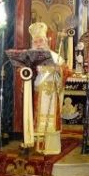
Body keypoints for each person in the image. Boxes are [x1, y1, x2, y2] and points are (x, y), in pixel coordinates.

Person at [27, 22, 68, 155]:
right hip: (38, 92)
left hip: (52, 93)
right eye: (36, 41)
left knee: (51, 120)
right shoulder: (30, 57)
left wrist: (58, 69)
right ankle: (38, 146)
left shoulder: (55, 56)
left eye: (41, 41)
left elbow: (66, 71)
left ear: (46, 41)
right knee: (38, 118)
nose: (39, 44)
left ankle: (51, 147)